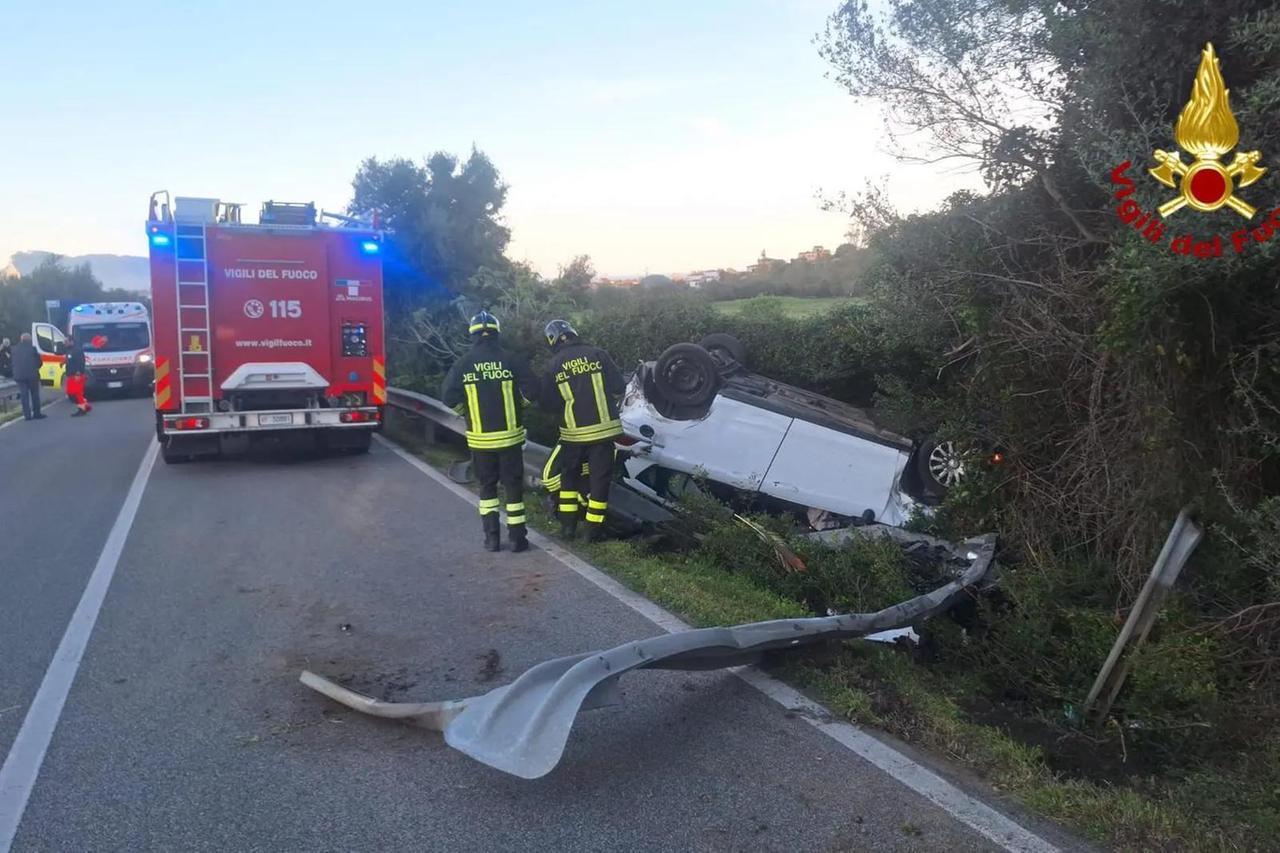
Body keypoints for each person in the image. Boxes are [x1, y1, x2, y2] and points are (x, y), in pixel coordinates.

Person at [441, 311, 538, 553]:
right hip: (510, 439)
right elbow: (533, 389)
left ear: (472, 334)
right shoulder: (511, 359)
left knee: (487, 488)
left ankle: (492, 539)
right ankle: (518, 539)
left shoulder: (463, 363)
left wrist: (467, 413)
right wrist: (519, 406)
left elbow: (447, 396)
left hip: (480, 441)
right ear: (496, 332)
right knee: (513, 486)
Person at [541, 319, 625, 542]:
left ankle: (567, 529)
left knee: (568, 481)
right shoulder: (598, 354)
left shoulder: (553, 365)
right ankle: (592, 533)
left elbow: (548, 404)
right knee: (599, 483)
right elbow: (619, 387)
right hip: (603, 433)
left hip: (573, 435)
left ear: (552, 340)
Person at [10, 333, 45, 420]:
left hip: (19, 376)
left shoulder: (13, 349)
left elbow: (12, 362)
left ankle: (27, 415)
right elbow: (39, 363)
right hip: (32, 375)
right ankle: (37, 413)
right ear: (29, 340)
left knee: (24, 395)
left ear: (21, 339)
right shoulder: (33, 349)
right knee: (34, 395)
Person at [64, 333, 92, 416]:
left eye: (66, 341)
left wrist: (78, 373)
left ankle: (82, 409)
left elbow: (80, 362)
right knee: (71, 393)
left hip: (76, 376)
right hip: (70, 375)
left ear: (71, 341)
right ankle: (85, 406)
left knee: (76, 394)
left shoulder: (77, 350)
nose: (64, 343)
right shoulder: (69, 350)